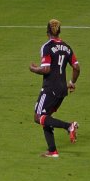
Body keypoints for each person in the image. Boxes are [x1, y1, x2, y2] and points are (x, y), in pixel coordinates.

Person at [29, 19, 80, 158]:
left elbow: (46, 69)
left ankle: (68, 126)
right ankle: (52, 151)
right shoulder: (67, 47)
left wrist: (33, 69)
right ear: (59, 31)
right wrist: (72, 82)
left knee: (38, 117)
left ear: (47, 32)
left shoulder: (47, 46)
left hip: (50, 88)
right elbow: (76, 67)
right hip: (62, 89)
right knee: (46, 117)